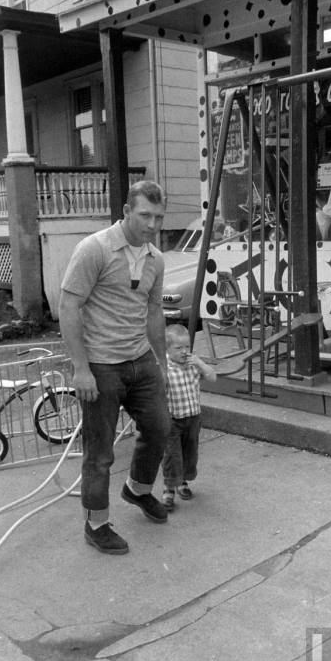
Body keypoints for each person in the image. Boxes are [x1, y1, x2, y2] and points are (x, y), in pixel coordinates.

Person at [59, 180, 171, 555]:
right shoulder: (95, 249)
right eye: (144, 215)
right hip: (101, 365)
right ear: (126, 212)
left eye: (158, 216)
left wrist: (163, 360)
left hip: (140, 359)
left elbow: (153, 311)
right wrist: (80, 368)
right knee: (100, 452)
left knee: (159, 428)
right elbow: (68, 307)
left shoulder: (156, 258)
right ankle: (96, 523)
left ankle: (137, 489)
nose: (152, 224)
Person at [161, 323, 217, 512]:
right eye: (178, 348)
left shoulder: (194, 365)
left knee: (189, 451)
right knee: (172, 454)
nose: (184, 351)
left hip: (193, 417)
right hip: (172, 419)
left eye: (187, 347)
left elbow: (212, 377)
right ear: (167, 349)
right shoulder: (165, 368)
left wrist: (200, 363)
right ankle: (168, 488)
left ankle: (182, 482)